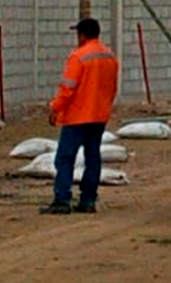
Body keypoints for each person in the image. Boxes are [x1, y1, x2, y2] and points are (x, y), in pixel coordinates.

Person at [40, 16, 119, 215]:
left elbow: (68, 89)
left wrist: (55, 108)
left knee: (65, 158)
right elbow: (112, 88)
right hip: (99, 115)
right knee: (93, 157)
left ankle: (62, 200)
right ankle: (88, 200)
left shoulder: (79, 57)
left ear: (81, 35)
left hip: (78, 116)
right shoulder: (109, 56)